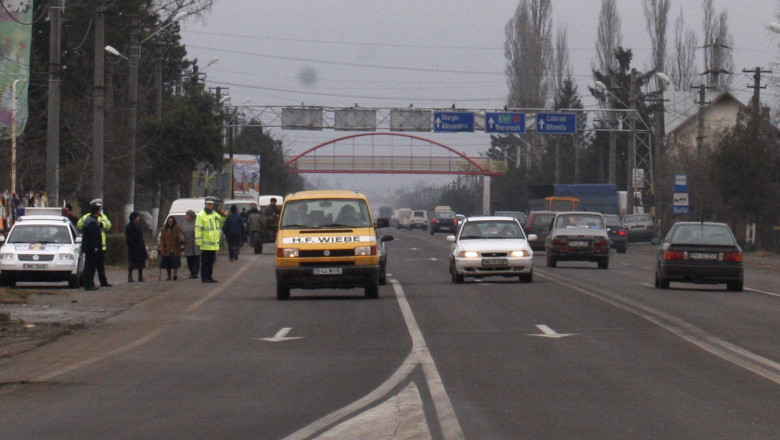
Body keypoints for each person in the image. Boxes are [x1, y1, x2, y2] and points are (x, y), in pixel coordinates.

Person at [78, 199, 113, 287]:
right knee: (90, 266)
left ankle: (102, 282)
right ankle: (89, 283)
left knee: (100, 266)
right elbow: (79, 224)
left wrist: (102, 224)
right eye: (98, 207)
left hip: (101, 246)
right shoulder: (87, 217)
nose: (100, 209)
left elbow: (109, 225)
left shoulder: (103, 216)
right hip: (93, 246)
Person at [195, 197, 226, 283]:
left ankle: (209, 276)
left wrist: (223, 215)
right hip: (205, 243)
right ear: (205, 205)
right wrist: (199, 241)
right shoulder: (201, 215)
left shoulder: (214, 214)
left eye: (211, 204)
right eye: (208, 204)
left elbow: (221, 222)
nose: (210, 205)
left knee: (211, 261)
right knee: (205, 261)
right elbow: (198, 229)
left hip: (213, 243)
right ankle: (204, 277)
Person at [81, 203, 102, 291]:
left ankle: (88, 283)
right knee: (90, 267)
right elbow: (93, 237)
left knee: (88, 266)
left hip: (87, 248)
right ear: (97, 212)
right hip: (91, 249)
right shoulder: (92, 222)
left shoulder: (88, 220)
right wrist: (95, 248)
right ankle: (89, 284)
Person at [158, 216, 184, 281]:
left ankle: (175, 275)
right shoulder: (164, 229)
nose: (170, 223)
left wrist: (181, 240)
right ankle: (169, 276)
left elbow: (182, 235)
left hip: (175, 248)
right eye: (169, 222)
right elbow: (161, 239)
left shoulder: (177, 228)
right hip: (167, 248)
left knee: (176, 263)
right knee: (168, 263)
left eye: (172, 222)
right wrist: (161, 247)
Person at [125, 211, 148, 282]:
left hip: (140, 246)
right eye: (137, 217)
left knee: (141, 262)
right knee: (132, 262)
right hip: (133, 247)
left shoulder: (138, 226)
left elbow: (140, 237)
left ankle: (140, 276)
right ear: (134, 218)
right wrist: (134, 245)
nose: (139, 218)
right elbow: (128, 239)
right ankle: (130, 276)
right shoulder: (129, 227)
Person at [181, 210, 201, 279]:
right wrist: (182, 238)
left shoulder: (197, 223)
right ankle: (191, 272)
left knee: (196, 258)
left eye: (188, 215)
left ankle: (195, 272)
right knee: (189, 259)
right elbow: (181, 233)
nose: (187, 217)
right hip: (188, 244)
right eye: (186, 215)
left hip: (196, 244)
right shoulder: (184, 224)